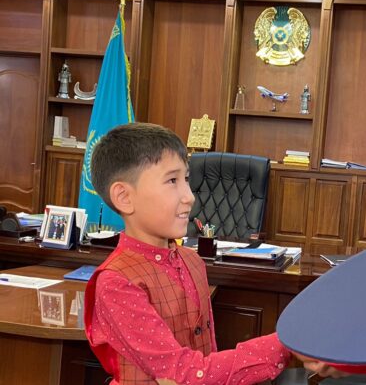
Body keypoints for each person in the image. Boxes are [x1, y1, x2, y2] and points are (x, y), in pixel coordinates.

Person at [83, 122, 290, 384]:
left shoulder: (192, 260)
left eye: (187, 179)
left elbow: (207, 353)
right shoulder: (116, 283)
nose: (189, 196)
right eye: (172, 180)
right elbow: (185, 374)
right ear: (124, 197)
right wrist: (283, 346)